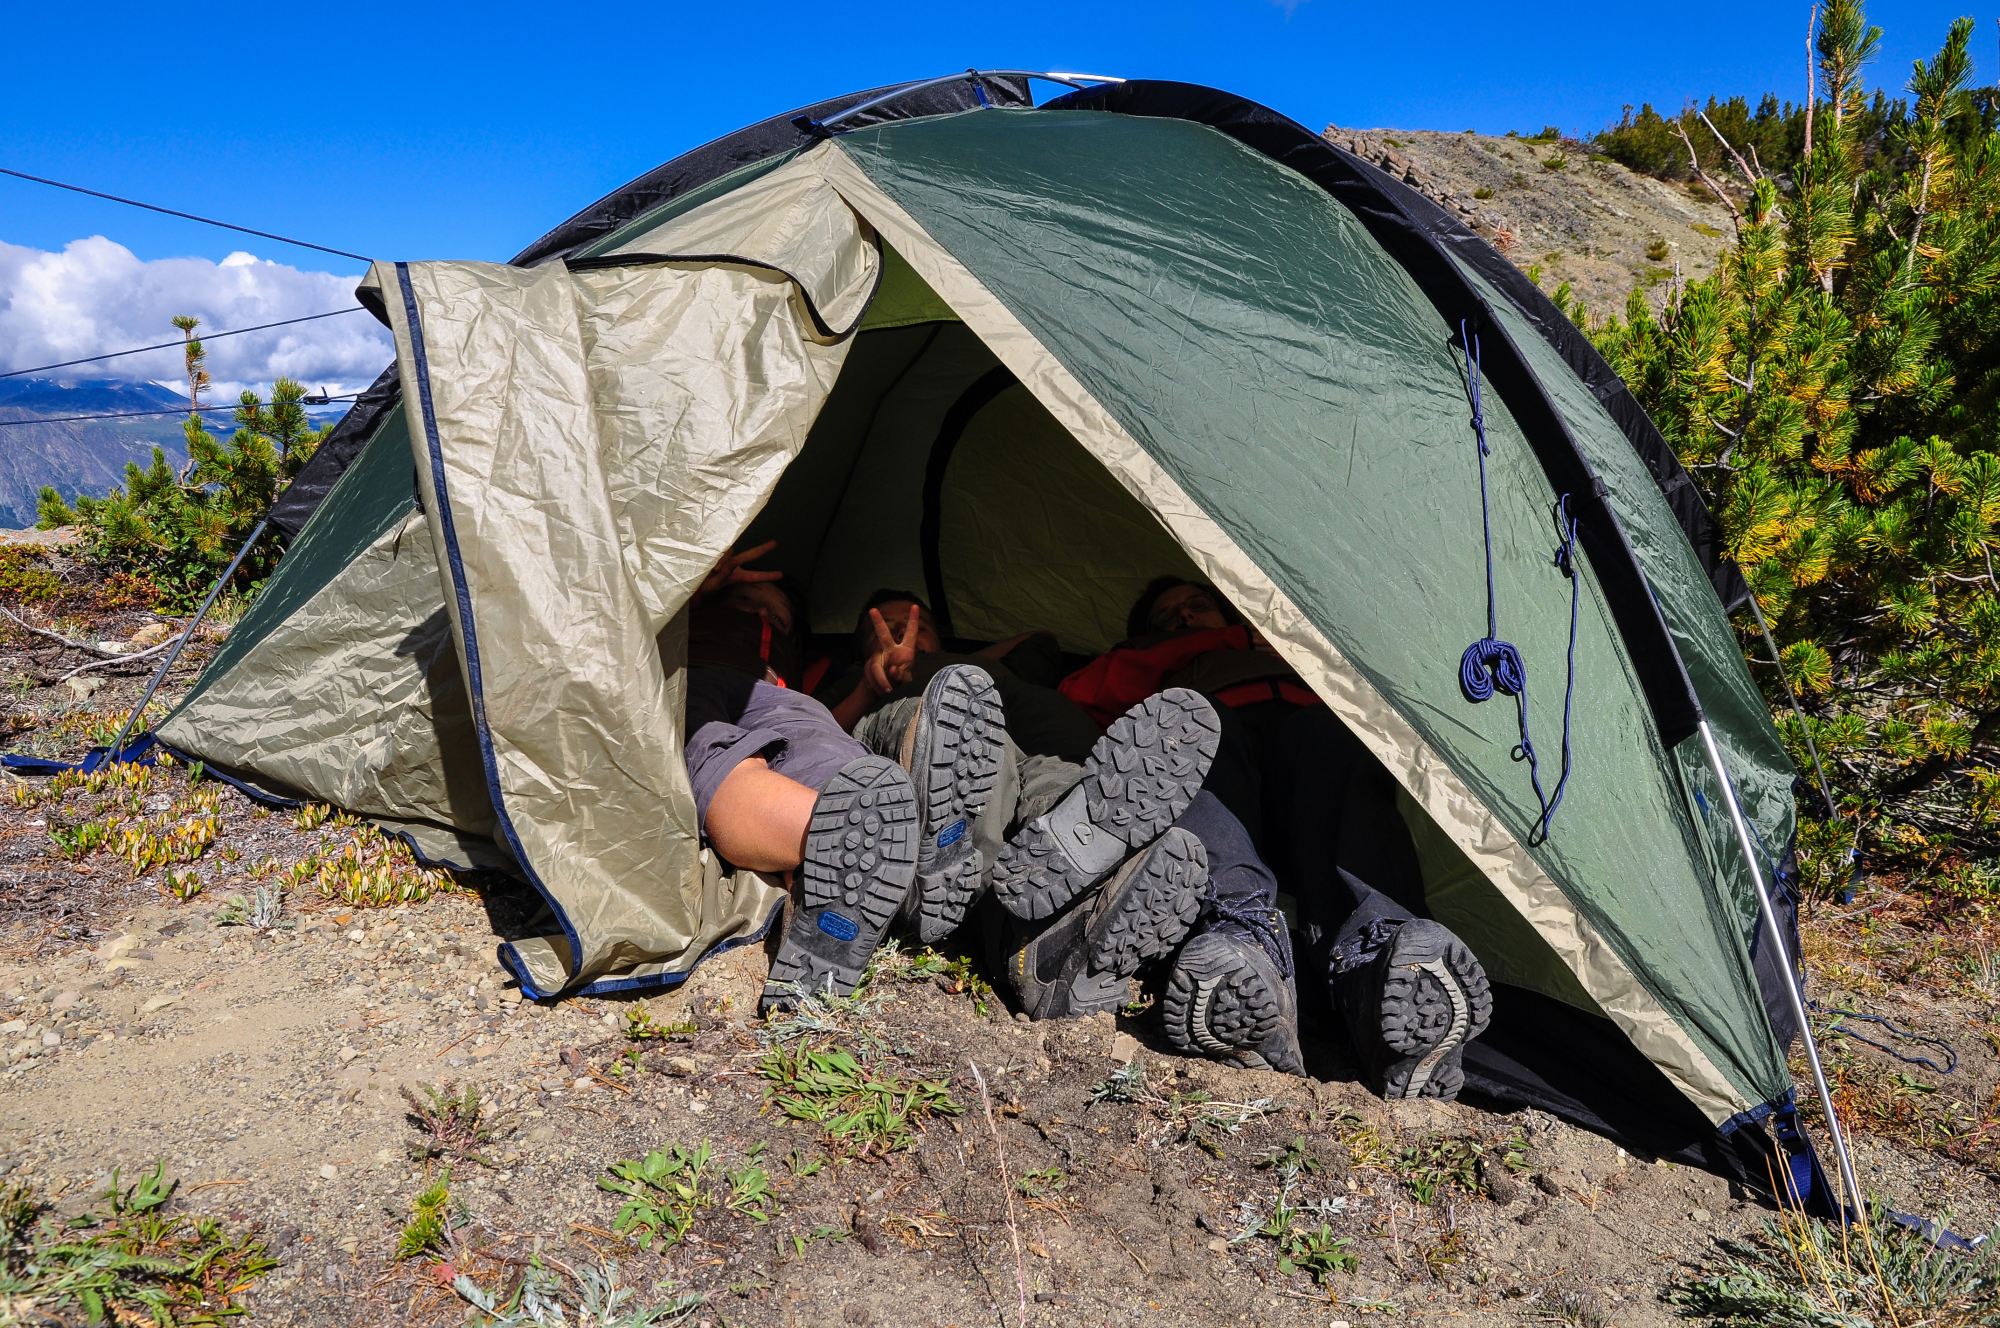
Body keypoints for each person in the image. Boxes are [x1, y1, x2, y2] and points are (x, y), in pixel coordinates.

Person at [1063, 576, 1493, 1100]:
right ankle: (1245, 943)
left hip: (1299, 744)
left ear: (1226, 610)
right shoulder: (1147, 657)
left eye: (1196, 605)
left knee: (1332, 737)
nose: (1182, 615)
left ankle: (1380, 968)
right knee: (1194, 730)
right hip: (1224, 759)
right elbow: (1084, 701)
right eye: (1166, 614)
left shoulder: (1279, 637)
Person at [679, 543, 1004, 1010]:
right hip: (690, 673)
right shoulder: (694, 613)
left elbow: (824, 719)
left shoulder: (799, 668)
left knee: (840, 767)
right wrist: (695, 586)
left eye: (778, 614)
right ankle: (896, 865)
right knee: (715, 753)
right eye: (746, 601)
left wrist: (867, 688)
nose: (760, 613)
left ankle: (856, 865)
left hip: (785, 699)